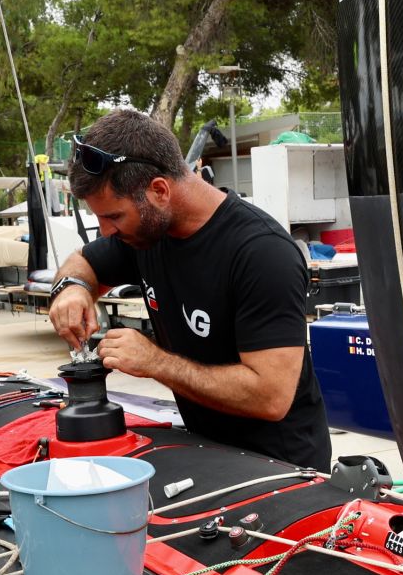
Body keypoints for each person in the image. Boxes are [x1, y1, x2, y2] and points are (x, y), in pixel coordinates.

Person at [46, 109, 330, 468]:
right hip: (207, 449)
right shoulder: (145, 234)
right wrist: (73, 288)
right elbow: (83, 263)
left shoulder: (262, 253)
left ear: (159, 190)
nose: (106, 231)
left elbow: (271, 397)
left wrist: (154, 362)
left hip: (282, 467)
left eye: (113, 216)